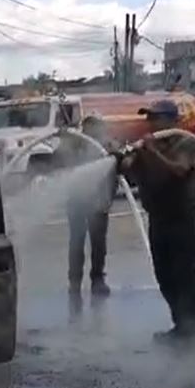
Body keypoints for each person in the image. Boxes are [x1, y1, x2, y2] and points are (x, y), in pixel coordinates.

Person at [119, 99, 195, 341]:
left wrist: (152, 152)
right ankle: (180, 325)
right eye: (149, 118)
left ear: (171, 120)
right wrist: (121, 159)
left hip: (182, 219)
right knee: (164, 276)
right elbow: (130, 172)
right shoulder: (146, 147)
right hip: (158, 219)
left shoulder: (187, 142)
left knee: (184, 274)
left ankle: (190, 329)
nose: (151, 123)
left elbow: (179, 170)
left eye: (155, 118)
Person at [68, 114, 114, 297]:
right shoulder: (73, 145)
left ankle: (97, 279)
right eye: (87, 128)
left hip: (99, 203)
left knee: (98, 244)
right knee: (76, 243)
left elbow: (115, 171)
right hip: (77, 202)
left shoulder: (106, 147)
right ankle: (74, 282)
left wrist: (107, 199)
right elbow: (59, 163)